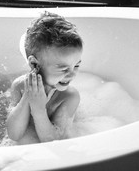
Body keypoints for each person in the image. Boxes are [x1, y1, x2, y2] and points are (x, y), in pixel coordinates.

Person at [6, 11, 83, 144]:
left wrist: (38, 109)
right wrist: (28, 98)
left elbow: (54, 141)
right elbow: (14, 134)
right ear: (34, 63)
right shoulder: (19, 86)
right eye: (63, 68)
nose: (72, 74)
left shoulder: (69, 96)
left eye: (76, 66)